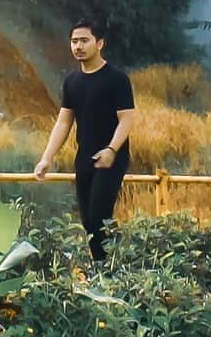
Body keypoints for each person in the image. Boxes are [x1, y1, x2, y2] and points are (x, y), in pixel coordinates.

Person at [34, 20, 135, 262]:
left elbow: (127, 119)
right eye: (74, 41)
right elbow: (64, 122)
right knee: (89, 221)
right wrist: (46, 158)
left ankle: (112, 269)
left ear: (99, 43)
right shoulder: (72, 81)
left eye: (84, 40)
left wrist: (111, 149)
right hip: (84, 157)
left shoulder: (116, 78)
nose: (78, 46)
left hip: (112, 158)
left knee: (100, 217)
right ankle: (107, 267)